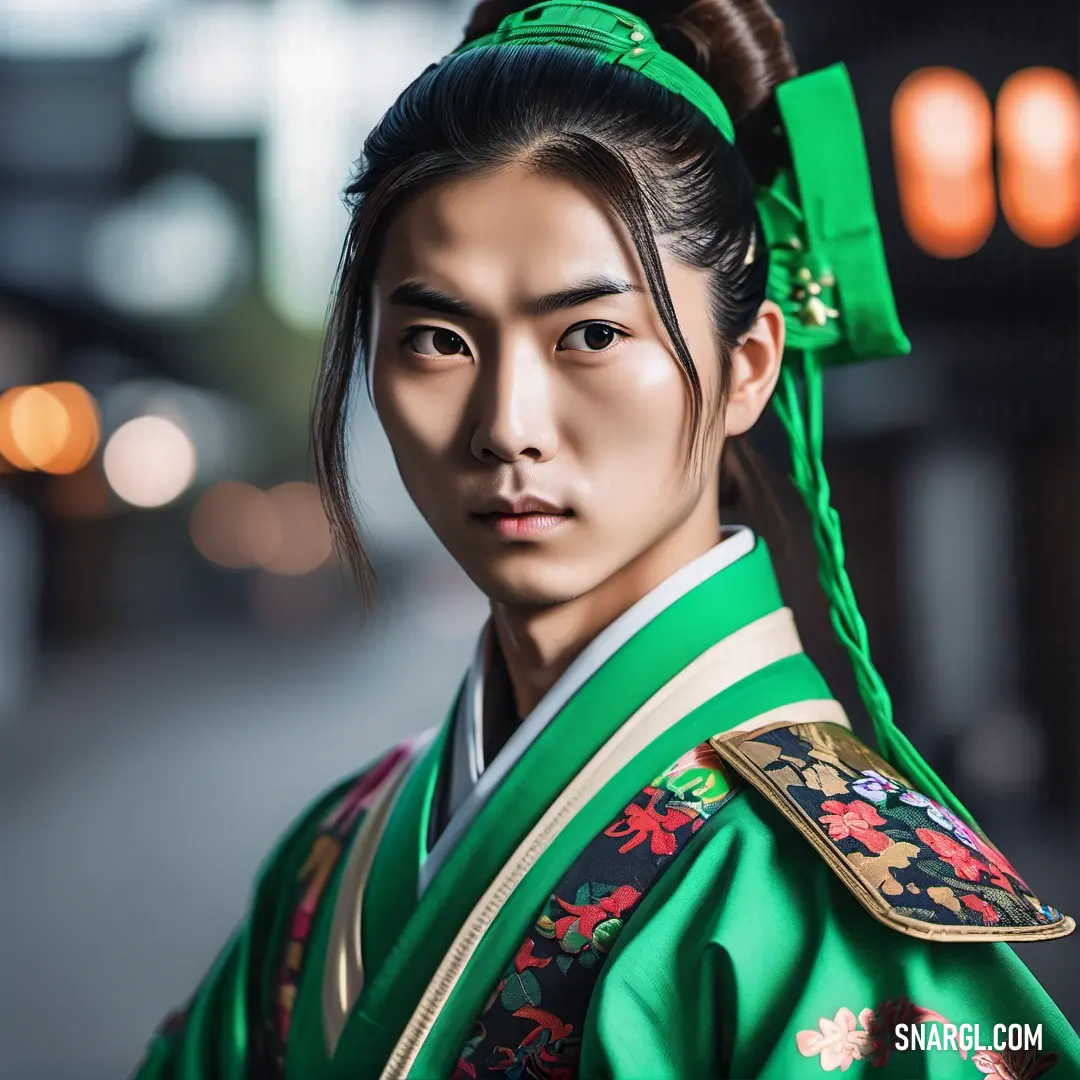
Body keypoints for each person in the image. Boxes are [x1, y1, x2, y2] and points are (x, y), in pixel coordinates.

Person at [131, 1, 1080, 1077]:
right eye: (438, 339)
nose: (505, 427)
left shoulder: (831, 908)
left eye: (591, 333)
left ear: (749, 367)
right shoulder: (333, 857)